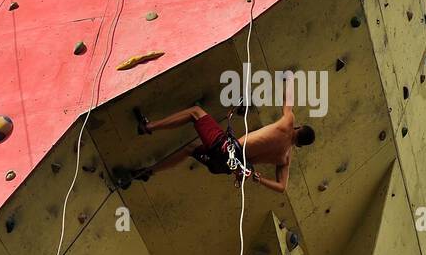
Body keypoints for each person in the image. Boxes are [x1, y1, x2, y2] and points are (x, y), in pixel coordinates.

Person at [114, 74, 315, 192]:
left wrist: (289, 79)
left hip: (226, 149)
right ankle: (147, 172)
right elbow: (282, 188)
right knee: (190, 149)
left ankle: (147, 127)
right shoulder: (284, 158)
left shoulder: (288, 123)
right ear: (299, 145)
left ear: (298, 128)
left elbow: (288, 103)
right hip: (225, 166)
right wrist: (258, 178)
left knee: (195, 113)